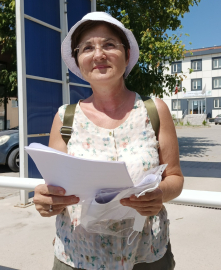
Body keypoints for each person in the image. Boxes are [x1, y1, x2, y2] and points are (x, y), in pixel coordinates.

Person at [33, 12, 184, 270]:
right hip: (77, 256)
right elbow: (54, 188)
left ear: (126, 55)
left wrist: (159, 194)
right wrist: (47, 201)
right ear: (79, 61)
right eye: (88, 48)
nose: (99, 54)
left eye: (109, 44)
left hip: (145, 255)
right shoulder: (64, 118)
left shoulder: (154, 110)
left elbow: (175, 178)